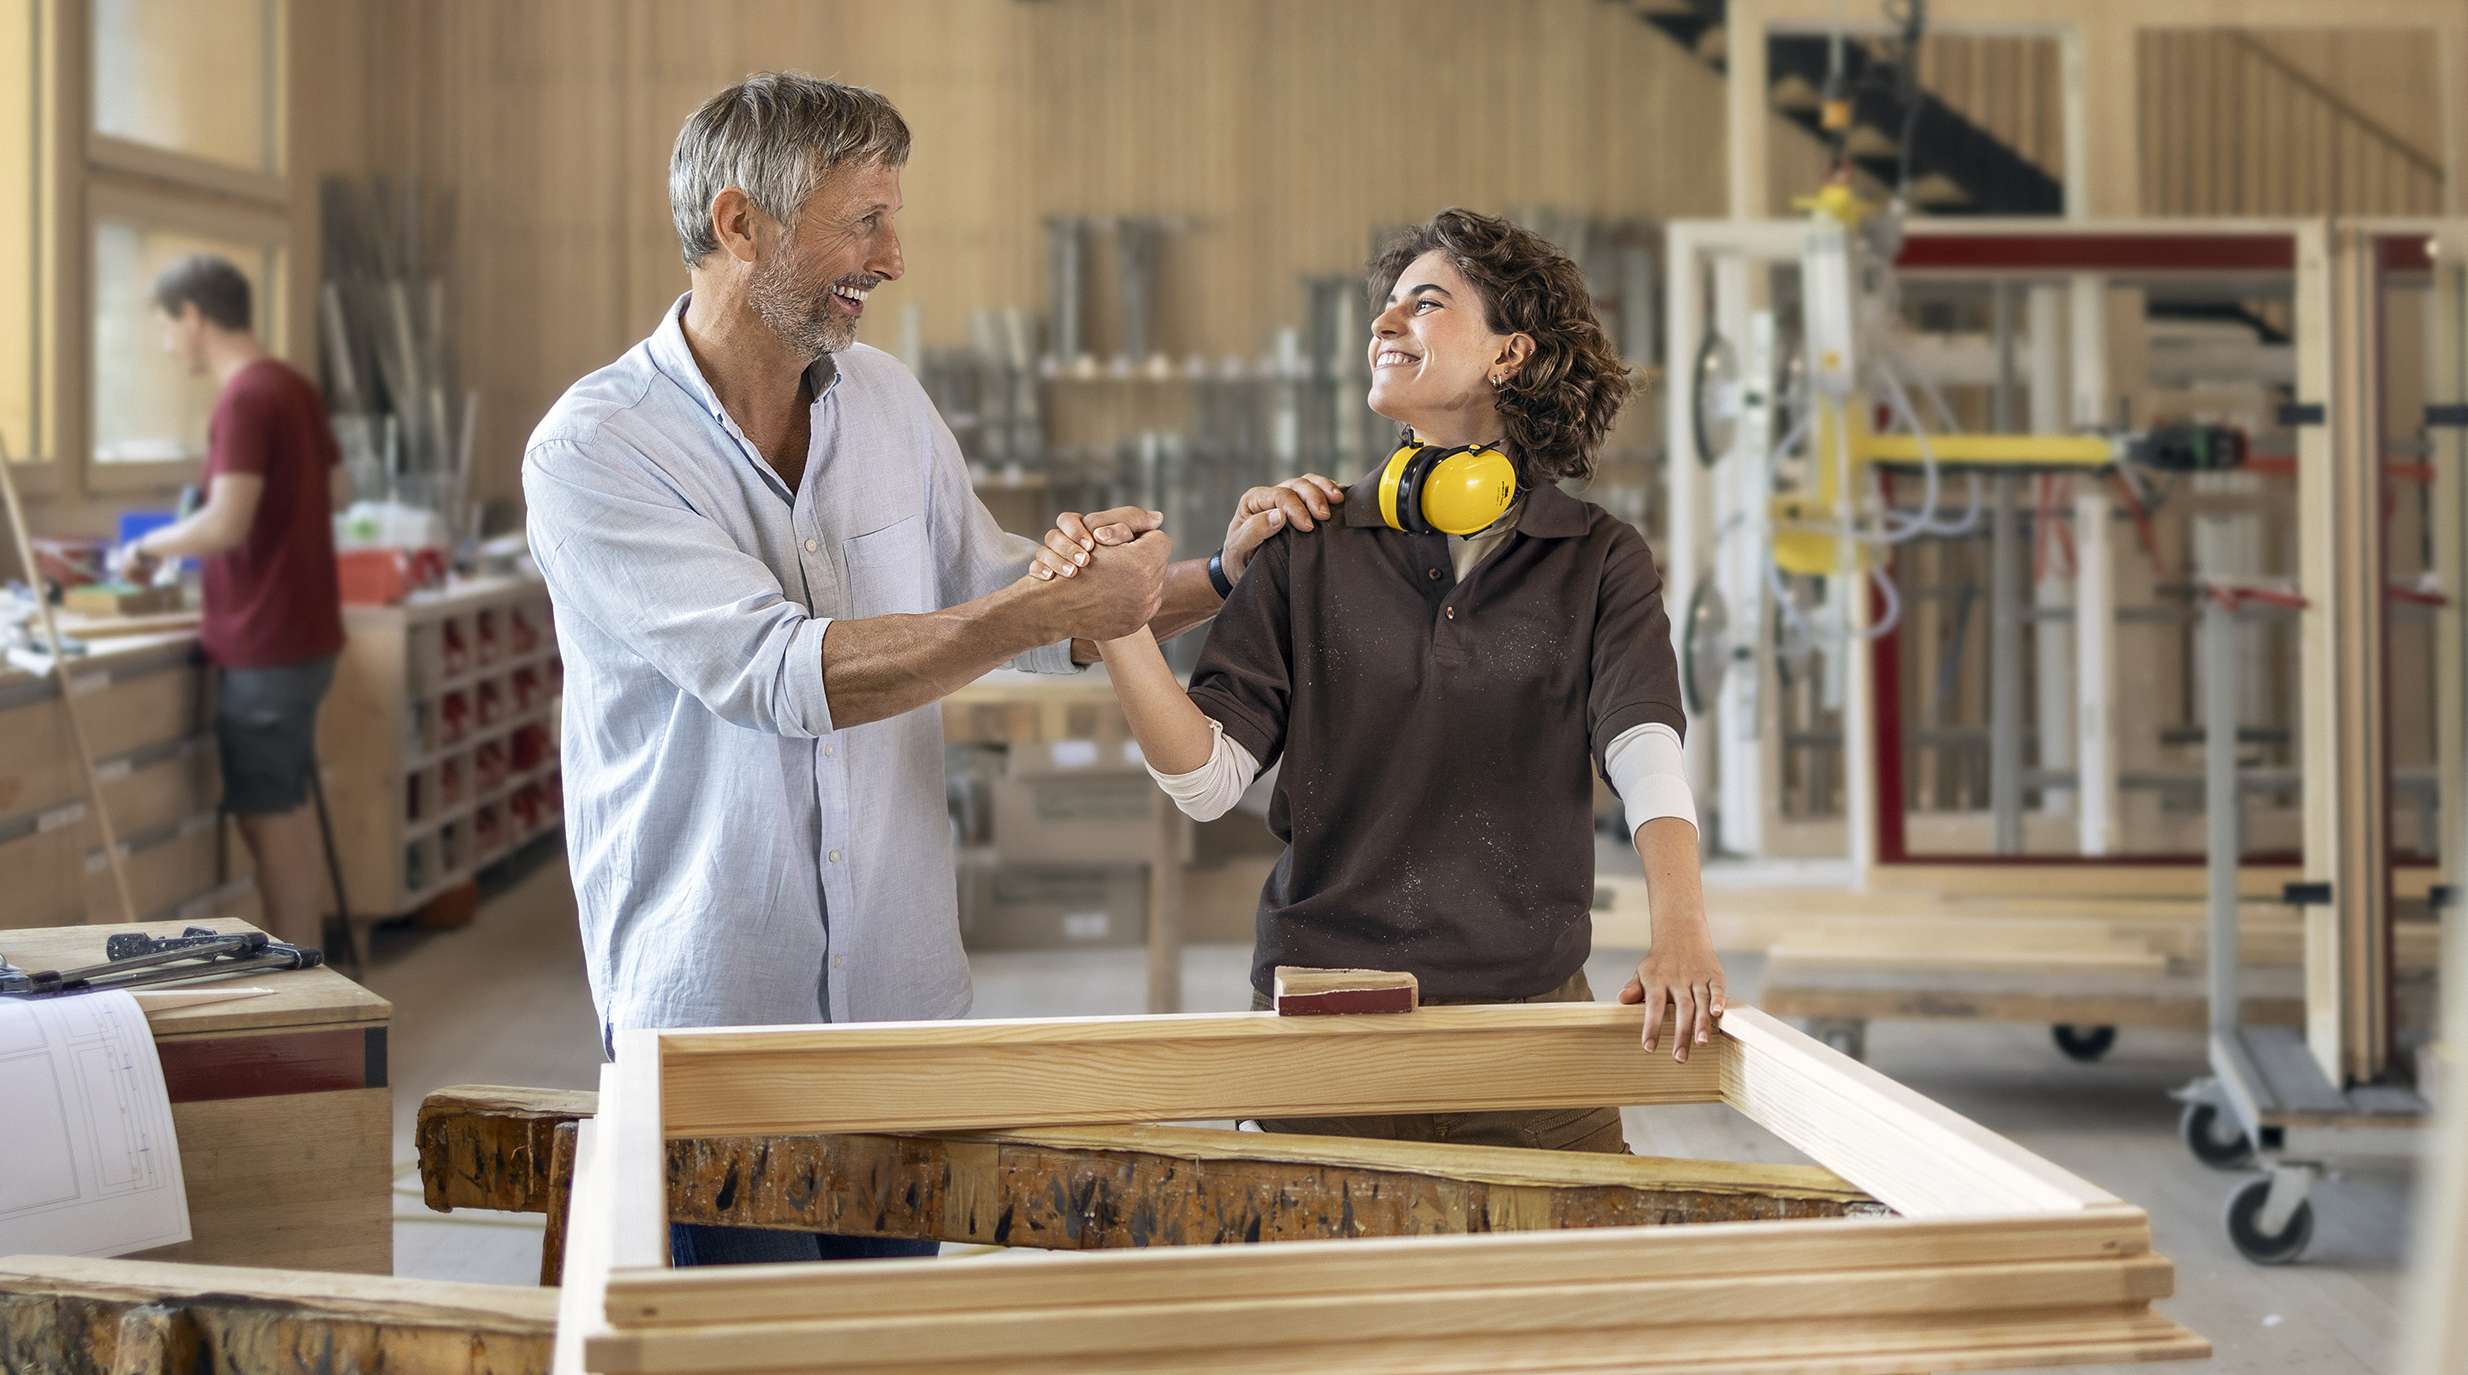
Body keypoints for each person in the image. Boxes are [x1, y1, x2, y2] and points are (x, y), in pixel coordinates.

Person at [522, 72, 1336, 1266]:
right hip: (717, 1021)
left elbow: (1006, 589)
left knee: (890, 1329)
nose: (892, 259)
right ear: (740, 224)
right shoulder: (597, 448)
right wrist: (1036, 604)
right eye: (864, 222)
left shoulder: (887, 406)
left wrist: (1216, 574)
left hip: (899, 1015)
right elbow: (779, 675)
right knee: (741, 1342)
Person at [1034, 209, 1725, 1154]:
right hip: (1324, 1031)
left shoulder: (1599, 556)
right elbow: (1207, 781)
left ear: (1510, 353)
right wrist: (1120, 624)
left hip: (1528, 1031)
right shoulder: (1305, 542)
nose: (1384, 322)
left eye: (1425, 303)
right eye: (1386, 306)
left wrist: (1681, 926)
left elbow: (1643, 748)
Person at [125, 254, 347, 951]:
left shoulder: (244, 398)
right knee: (287, 806)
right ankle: (309, 967)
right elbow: (338, 492)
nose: (169, 345)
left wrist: (146, 547)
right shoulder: (292, 386)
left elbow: (224, 523)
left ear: (194, 317)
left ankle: (296, 981)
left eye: (169, 327)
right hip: (304, 633)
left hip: (265, 641)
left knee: (267, 817)